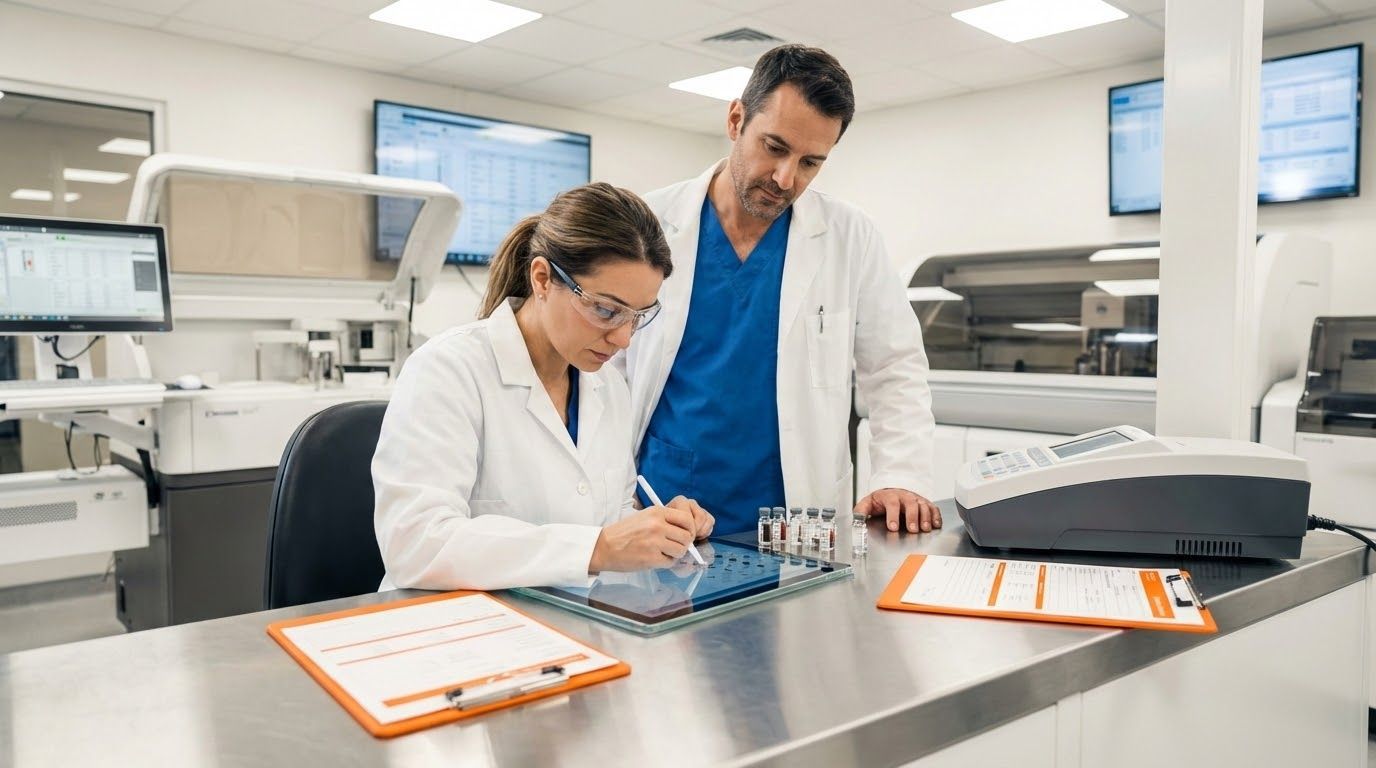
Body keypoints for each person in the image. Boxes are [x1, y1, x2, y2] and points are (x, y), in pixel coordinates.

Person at [626, 44, 941, 537]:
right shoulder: (648, 223)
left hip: (796, 512)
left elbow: (894, 366)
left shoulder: (849, 235)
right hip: (661, 505)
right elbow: (602, 368)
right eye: (774, 147)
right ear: (736, 120)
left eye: (811, 162)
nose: (786, 178)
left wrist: (900, 474)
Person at [373, 182, 713, 591]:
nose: (624, 340)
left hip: (563, 626)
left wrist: (659, 532)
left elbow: (608, 521)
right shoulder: (448, 370)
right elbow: (415, 543)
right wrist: (597, 548)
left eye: (638, 316)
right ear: (541, 278)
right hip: (453, 632)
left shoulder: (607, 386)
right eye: (606, 310)